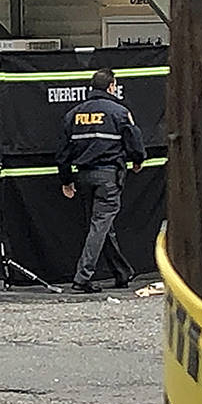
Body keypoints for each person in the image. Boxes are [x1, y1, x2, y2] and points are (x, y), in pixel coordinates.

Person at [55, 68, 146, 293]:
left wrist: (66, 180)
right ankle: (82, 278)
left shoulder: (73, 114)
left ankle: (122, 273)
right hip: (108, 176)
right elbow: (134, 140)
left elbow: (63, 153)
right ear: (111, 86)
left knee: (103, 226)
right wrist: (137, 160)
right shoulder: (119, 112)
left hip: (83, 175)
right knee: (100, 225)